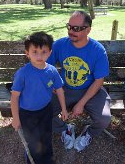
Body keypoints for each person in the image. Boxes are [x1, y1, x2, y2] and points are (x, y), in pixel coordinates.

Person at [47, 10, 111, 152]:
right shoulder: (59, 45)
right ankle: (66, 129)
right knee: (40, 112)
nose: (71, 31)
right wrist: (51, 83)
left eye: (76, 28)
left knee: (104, 119)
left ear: (87, 30)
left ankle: (89, 132)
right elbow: (46, 68)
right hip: (65, 89)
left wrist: (81, 104)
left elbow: (99, 81)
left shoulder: (98, 50)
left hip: (91, 91)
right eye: (69, 26)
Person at [11, 31, 68, 164]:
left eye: (44, 52)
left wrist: (64, 109)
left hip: (46, 110)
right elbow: (14, 97)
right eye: (35, 51)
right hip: (27, 114)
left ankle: (48, 160)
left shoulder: (52, 70)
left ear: (49, 52)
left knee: (46, 137)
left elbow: (59, 89)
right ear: (27, 53)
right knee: (33, 142)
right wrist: (16, 117)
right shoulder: (23, 73)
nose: (39, 56)